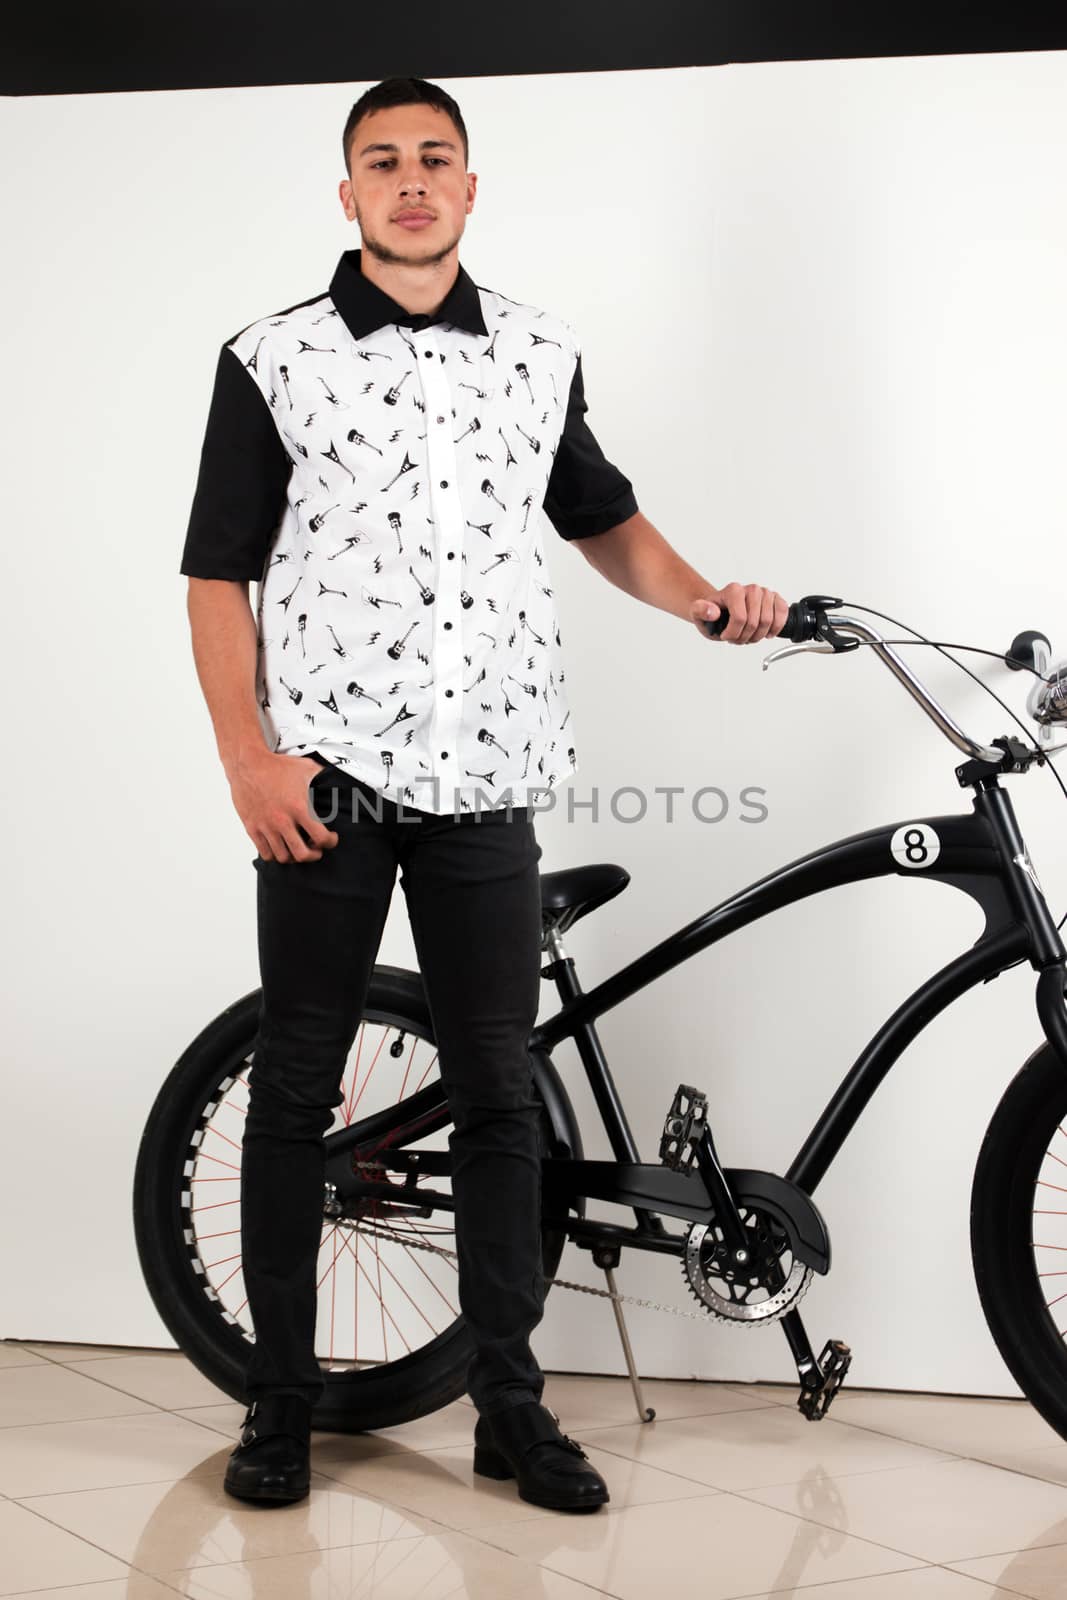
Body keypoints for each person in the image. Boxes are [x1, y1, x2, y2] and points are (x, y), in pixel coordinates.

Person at [179, 74, 789, 1513]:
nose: (409, 181)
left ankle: (509, 1410)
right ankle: (281, 1400)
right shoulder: (273, 358)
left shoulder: (538, 353)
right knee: (297, 1084)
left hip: (490, 773)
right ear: (347, 195)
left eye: (434, 159)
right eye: (381, 161)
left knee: (503, 1094)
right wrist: (248, 760)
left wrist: (710, 604)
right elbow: (218, 573)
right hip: (326, 774)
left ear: (469, 187)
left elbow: (602, 519)